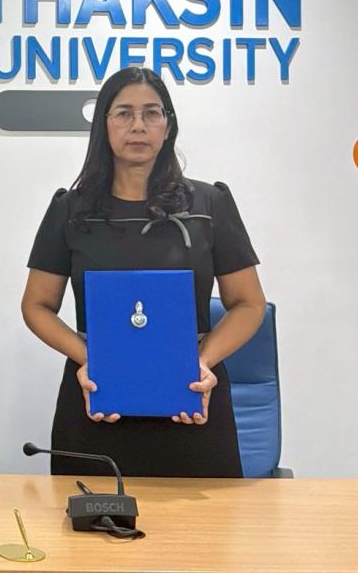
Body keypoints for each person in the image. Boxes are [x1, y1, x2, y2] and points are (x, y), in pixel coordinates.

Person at [21, 67, 267, 477]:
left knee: (204, 519)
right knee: (89, 516)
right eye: (124, 113)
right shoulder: (70, 209)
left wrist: (201, 362)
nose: (138, 126)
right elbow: (36, 305)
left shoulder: (210, 204)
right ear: (104, 125)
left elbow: (249, 303)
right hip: (96, 394)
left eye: (152, 113)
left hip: (192, 396)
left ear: (168, 125)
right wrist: (93, 360)